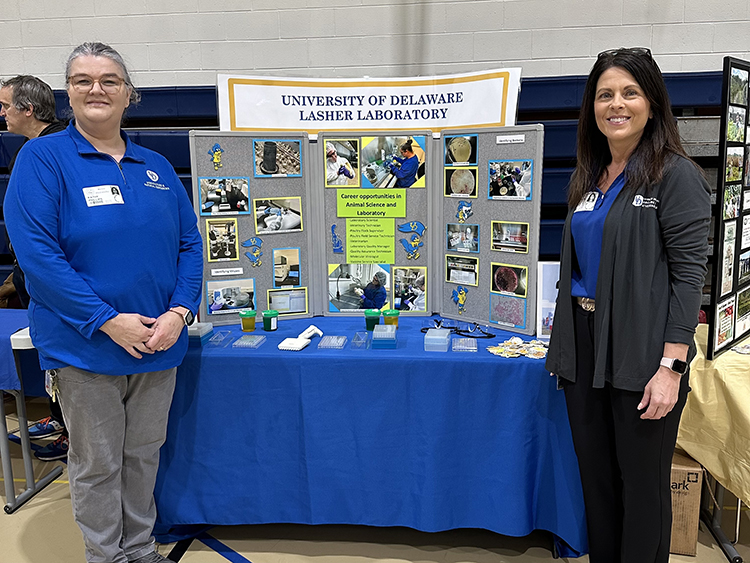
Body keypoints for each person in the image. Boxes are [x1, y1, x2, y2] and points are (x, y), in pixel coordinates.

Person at [4, 42, 203, 563]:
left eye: (109, 80)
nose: (97, 89)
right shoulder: (42, 159)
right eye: (83, 80)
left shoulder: (154, 165)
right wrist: (106, 321)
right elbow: (38, 256)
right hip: (84, 349)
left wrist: (179, 315)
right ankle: (106, 556)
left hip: (159, 345)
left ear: (129, 94)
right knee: (97, 464)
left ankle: (139, 549)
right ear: (67, 93)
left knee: (142, 456)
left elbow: (190, 244)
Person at [545, 47, 710, 563]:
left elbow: (689, 278)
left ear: (653, 102)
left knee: (641, 488)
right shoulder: (590, 176)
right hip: (585, 345)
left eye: (629, 92)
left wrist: (670, 366)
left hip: (643, 351)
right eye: (605, 95)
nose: (616, 104)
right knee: (597, 483)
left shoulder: (675, 175)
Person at [0, 74, 69, 461]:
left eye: (6, 106)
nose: (2, 113)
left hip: (52, 278)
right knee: (50, 354)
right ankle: (59, 417)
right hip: (33, 276)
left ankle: (70, 431)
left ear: (27, 110)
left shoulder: (54, 149)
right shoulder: (33, 148)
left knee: (60, 352)